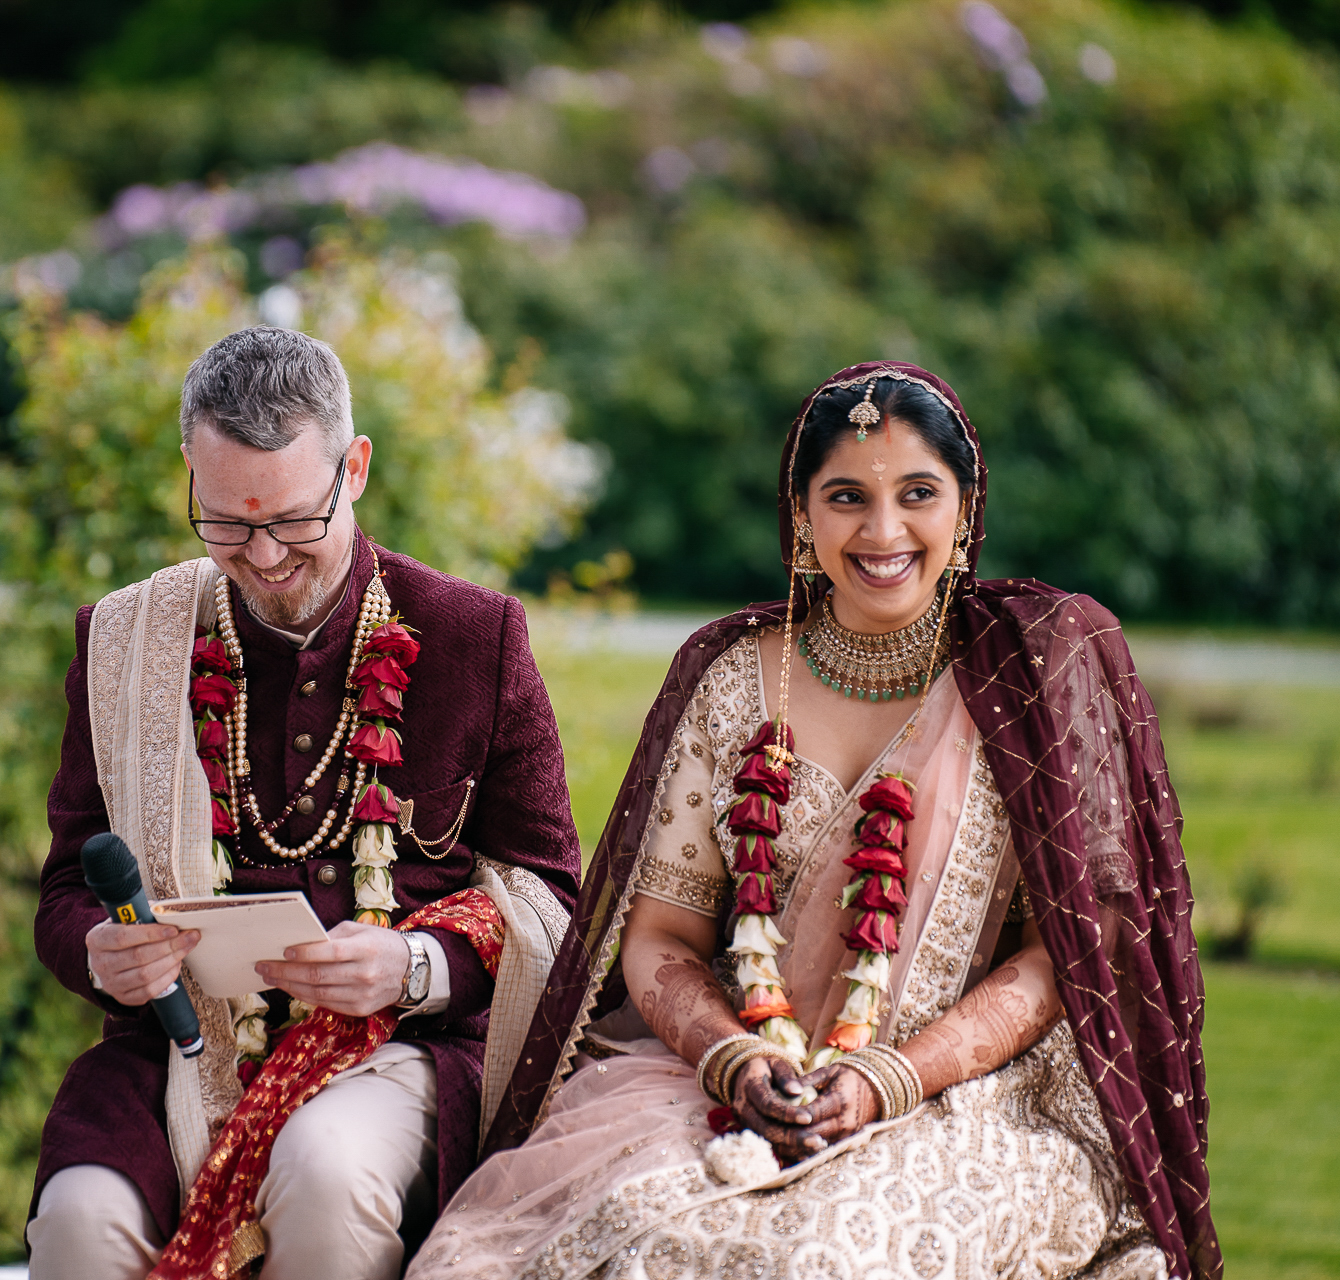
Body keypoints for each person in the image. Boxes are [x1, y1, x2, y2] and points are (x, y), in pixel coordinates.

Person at [415, 362, 1220, 1280]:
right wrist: (733, 1059)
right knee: (529, 1253)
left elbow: (1065, 954)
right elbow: (663, 937)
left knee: (825, 1259)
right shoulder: (735, 680)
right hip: (725, 1078)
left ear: (965, 509)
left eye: (919, 493)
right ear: (803, 518)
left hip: (962, 1095)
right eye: (847, 497)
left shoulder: (1026, 683)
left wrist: (894, 1075)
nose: (884, 532)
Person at [26, 326, 581, 1280]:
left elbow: (551, 897)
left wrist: (411, 966)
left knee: (324, 1176)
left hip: (397, 1044)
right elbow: (69, 887)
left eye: (292, 521)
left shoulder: (473, 635)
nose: (264, 556)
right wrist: (99, 950)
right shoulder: (128, 641)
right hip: (175, 1050)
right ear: (192, 482)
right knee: (79, 1219)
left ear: (353, 469)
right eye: (226, 525)